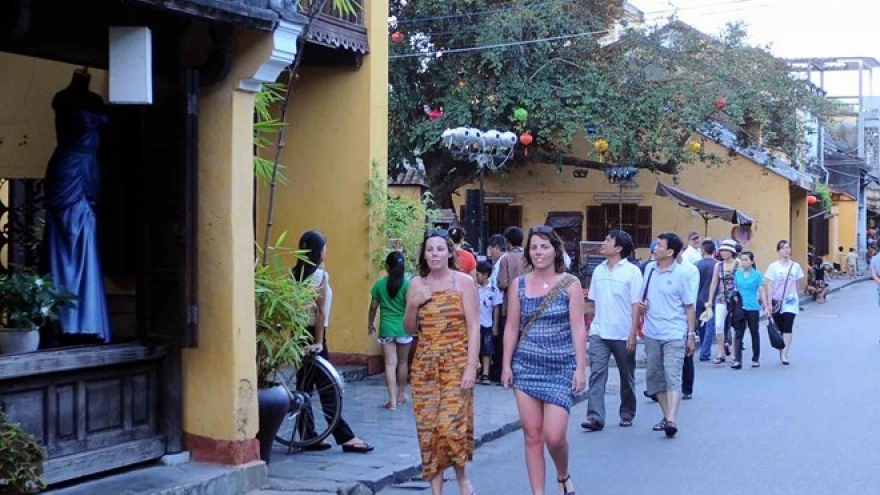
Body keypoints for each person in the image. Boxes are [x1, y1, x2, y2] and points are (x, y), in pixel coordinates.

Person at [501, 226, 586, 495]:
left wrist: (580, 368)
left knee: (554, 435)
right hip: (526, 367)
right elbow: (512, 327)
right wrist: (505, 364)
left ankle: (562, 474)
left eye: (544, 246)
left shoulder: (570, 283)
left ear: (555, 250)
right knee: (532, 435)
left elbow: (578, 328)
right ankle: (538, 492)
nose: (539, 252)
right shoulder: (519, 284)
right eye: (534, 247)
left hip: (561, 367)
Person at [403, 229, 480, 495]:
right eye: (429, 249)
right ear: (424, 255)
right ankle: (436, 490)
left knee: (451, 426)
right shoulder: (416, 284)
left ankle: (462, 480)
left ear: (449, 252)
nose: (434, 254)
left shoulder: (463, 283)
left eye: (439, 249)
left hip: (456, 362)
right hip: (425, 364)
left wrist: (472, 365)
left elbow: (473, 326)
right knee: (428, 428)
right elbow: (409, 328)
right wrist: (414, 304)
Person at [44, 68, 111, 344]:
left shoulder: (95, 100)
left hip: (90, 169)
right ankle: (65, 321)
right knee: (65, 239)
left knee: (86, 238)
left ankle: (87, 320)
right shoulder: (62, 98)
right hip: (69, 167)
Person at [293, 230, 374, 453]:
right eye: (325, 247)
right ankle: (345, 437)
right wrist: (319, 342)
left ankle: (308, 435)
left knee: (304, 388)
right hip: (315, 335)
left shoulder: (294, 275)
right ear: (318, 252)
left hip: (299, 335)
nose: (326, 251)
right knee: (329, 389)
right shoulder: (319, 276)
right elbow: (319, 312)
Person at [581, 230, 643, 431]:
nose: (603, 242)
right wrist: (587, 328)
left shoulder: (632, 272)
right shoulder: (599, 270)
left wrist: (633, 334)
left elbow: (636, 305)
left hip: (623, 332)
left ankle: (627, 412)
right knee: (597, 374)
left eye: (608, 240)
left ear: (618, 248)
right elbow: (593, 301)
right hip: (599, 331)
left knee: (627, 375)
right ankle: (595, 417)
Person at [638, 232, 696, 438]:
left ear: (670, 251)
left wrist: (690, 335)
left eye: (660, 245)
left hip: (674, 332)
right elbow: (643, 296)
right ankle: (666, 415)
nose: (655, 248)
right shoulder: (649, 270)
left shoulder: (681, 274)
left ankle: (672, 419)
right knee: (654, 377)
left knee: (673, 375)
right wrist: (643, 306)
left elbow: (689, 307)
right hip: (652, 332)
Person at [368, 251, 412, 410]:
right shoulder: (408, 284)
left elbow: (373, 307)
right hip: (403, 328)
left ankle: (392, 401)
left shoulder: (379, 285)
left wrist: (370, 323)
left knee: (389, 364)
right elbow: (410, 307)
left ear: (387, 267)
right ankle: (401, 395)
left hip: (386, 328)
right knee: (403, 363)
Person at [491, 226, 525, 382]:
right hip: (527, 305)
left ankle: (504, 372)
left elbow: (501, 283)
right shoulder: (527, 257)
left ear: (508, 242)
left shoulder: (506, 259)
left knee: (507, 340)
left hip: (508, 305)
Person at [764, 240, 805, 365]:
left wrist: (794, 295)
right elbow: (769, 285)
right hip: (776, 300)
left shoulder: (795, 266)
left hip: (790, 300)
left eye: (787, 248)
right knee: (780, 327)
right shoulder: (773, 267)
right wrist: (769, 303)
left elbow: (797, 283)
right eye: (782, 248)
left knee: (788, 326)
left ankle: (785, 353)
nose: (786, 250)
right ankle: (781, 347)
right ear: (778, 251)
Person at [731, 251, 770, 369]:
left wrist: (766, 305)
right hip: (740, 307)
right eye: (742, 260)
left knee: (754, 332)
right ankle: (737, 360)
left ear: (752, 261)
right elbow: (735, 288)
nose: (744, 262)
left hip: (752, 307)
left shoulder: (757, 275)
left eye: (746, 260)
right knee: (738, 333)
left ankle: (755, 358)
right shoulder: (737, 274)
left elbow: (761, 290)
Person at [706, 239, 740, 364]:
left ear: (732, 251)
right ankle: (721, 352)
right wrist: (710, 300)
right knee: (719, 325)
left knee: (736, 326)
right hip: (721, 298)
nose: (724, 253)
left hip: (736, 299)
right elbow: (714, 282)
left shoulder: (739, 264)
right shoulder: (718, 265)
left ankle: (736, 354)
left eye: (726, 250)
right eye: (722, 250)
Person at [475, 260, 503, 384]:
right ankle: (476, 371)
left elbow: (496, 308)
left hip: (487, 322)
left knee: (487, 349)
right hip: (475, 323)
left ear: (485, 275)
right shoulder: (473, 288)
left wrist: (495, 325)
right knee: (474, 347)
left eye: (478, 274)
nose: (476, 276)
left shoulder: (493, 289)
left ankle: (486, 373)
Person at [695, 240, 718, 362]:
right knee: (711, 326)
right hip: (713, 299)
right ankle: (705, 350)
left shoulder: (696, 265)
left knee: (701, 326)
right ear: (714, 251)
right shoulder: (718, 265)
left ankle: (704, 348)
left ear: (702, 251)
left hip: (699, 299)